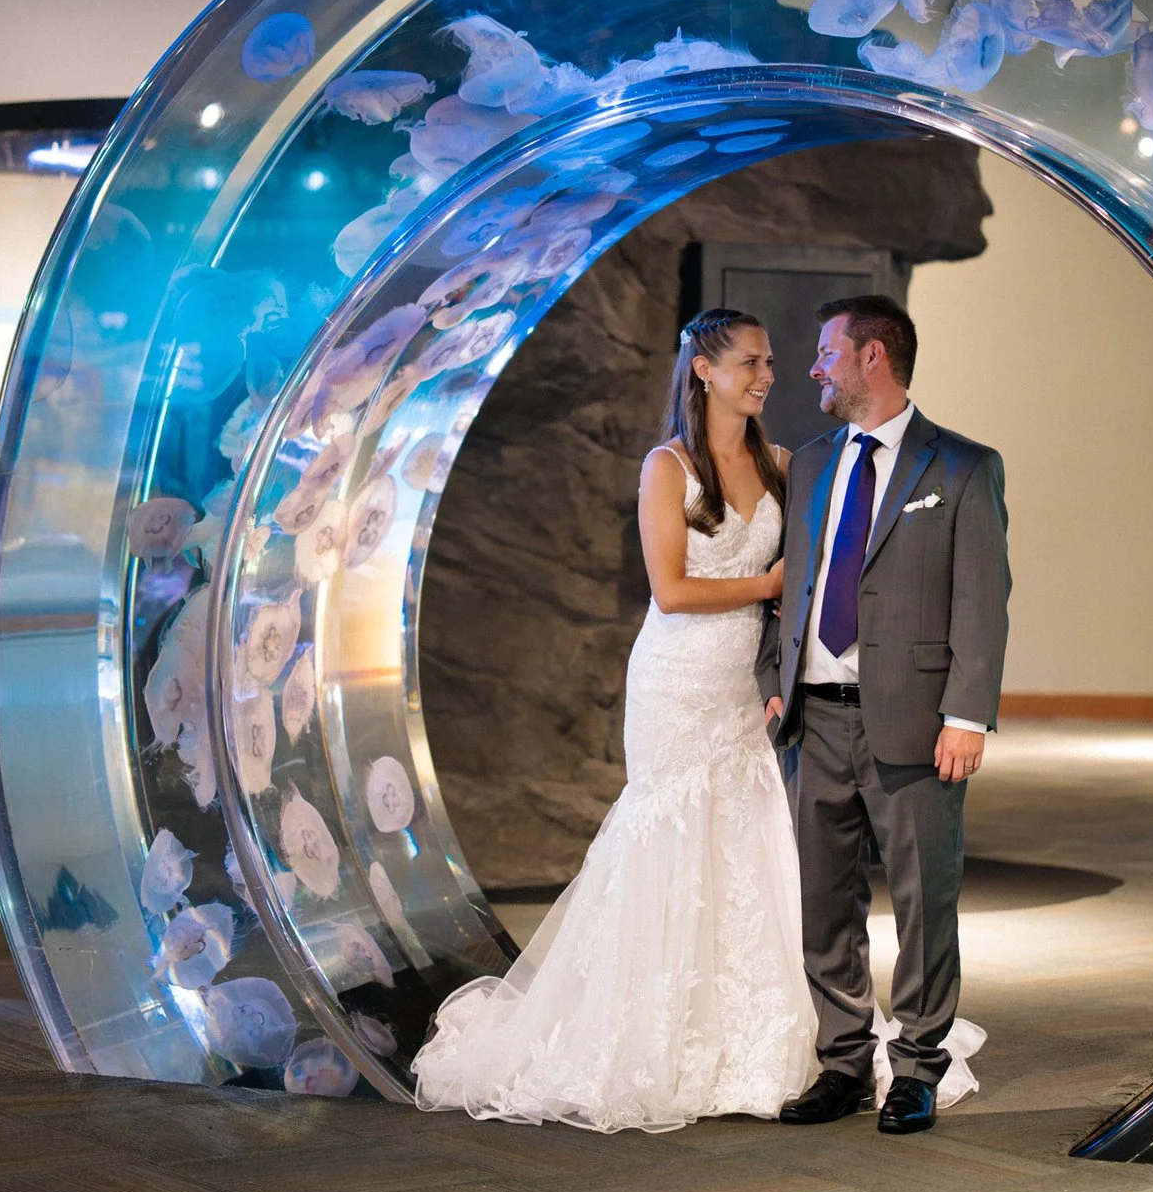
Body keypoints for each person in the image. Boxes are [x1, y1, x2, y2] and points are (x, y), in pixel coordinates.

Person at [411, 308, 817, 1132]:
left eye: (769, 361)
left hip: (743, 685)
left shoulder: (781, 464)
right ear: (704, 369)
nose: (767, 374)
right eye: (751, 360)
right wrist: (768, 587)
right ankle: (644, 1032)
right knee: (668, 831)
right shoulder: (667, 467)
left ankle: (745, 1039)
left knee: (741, 835)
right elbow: (670, 589)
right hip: (676, 677)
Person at [765, 294, 1011, 1135]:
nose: (813, 368)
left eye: (826, 351)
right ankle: (841, 1060)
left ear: (874, 356)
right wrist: (777, 677)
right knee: (824, 899)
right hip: (815, 720)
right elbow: (794, 581)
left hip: (913, 720)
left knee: (921, 897)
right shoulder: (809, 461)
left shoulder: (964, 467)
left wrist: (968, 716)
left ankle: (915, 1069)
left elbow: (983, 601)